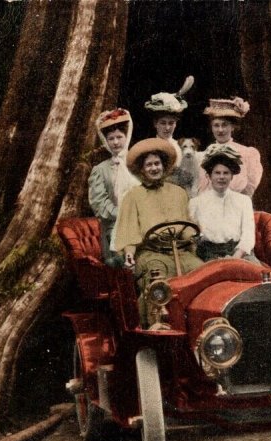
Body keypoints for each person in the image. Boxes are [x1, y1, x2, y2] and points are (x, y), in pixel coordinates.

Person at [112, 138, 204, 292]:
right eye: (149, 165)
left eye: (157, 163)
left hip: (181, 252)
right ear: (142, 169)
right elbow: (129, 232)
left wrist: (192, 237)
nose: (154, 168)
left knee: (203, 275)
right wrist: (129, 254)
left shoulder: (179, 192)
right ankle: (156, 316)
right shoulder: (133, 196)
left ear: (163, 166)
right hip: (151, 254)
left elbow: (188, 226)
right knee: (158, 283)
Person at [189, 145, 259, 264]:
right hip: (207, 255)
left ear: (232, 176)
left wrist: (236, 257)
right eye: (217, 173)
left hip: (238, 254)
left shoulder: (244, 201)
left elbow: (248, 235)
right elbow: (192, 235)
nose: (221, 177)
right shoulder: (196, 202)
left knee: (256, 274)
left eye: (226, 173)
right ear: (209, 176)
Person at [87, 108, 139, 265]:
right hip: (114, 225)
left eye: (119, 137)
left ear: (127, 136)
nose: (116, 142)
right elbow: (99, 203)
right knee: (123, 260)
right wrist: (123, 215)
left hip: (140, 222)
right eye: (111, 138)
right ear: (105, 141)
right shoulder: (100, 170)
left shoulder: (137, 163)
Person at [197, 97, 263, 197]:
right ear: (211, 127)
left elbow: (250, 188)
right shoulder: (205, 154)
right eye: (216, 125)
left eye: (224, 125)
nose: (220, 130)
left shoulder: (247, 153)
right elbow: (201, 188)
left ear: (232, 127)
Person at [144, 76, 194, 170]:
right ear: (155, 123)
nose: (167, 128)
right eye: (163, 123)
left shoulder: (180, 149)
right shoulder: (148, 147)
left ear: (176, 124)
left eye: (171, 123)